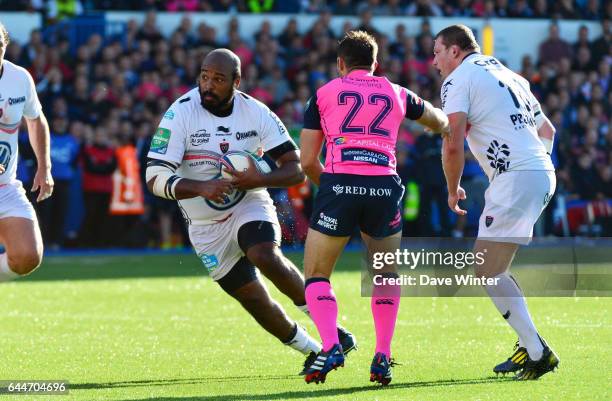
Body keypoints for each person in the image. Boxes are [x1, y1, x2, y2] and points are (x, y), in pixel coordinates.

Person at [145, 48, 356, 373]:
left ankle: (333, 333)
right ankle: (313, 350)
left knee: (263, 254)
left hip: (249, 203)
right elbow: (154, 177)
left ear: (236, 81)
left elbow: (296, 168)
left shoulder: (255, 112)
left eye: (217, 79)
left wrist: (261, 178)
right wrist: (201, 187)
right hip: (204, 225)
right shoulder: (180, 114)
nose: (208, 85)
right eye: (204, 76)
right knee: (252, 297)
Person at [299, 31, 449, 385]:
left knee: (317, 275)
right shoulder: (397, 92)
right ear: (376, 64)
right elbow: (437, 120)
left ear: (340, 63)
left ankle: (331, 345)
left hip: (339, 184)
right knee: (384, 274)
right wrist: (448, 127)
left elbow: (307, 161)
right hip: (383, 188)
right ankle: (382, 355)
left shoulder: (322, 95)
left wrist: (337, 187)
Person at [433, 24, 559, 380]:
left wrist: (452, 187)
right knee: (494, 268)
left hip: (516, 177)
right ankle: (529, 346)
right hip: (540, 172)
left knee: (485, 269)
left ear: (455, 51)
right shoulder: (510, 74)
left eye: (437, 51)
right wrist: (536, 165)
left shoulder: (458, 81)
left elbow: (452, 142)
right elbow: (547, 131)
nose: (434, 60)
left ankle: (537, 352)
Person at [0, 22, 54, 282]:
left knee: (27, 257)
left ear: (5, 45)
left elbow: (36, 119)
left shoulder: (19, 78)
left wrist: (45, 167)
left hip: (5, 187)